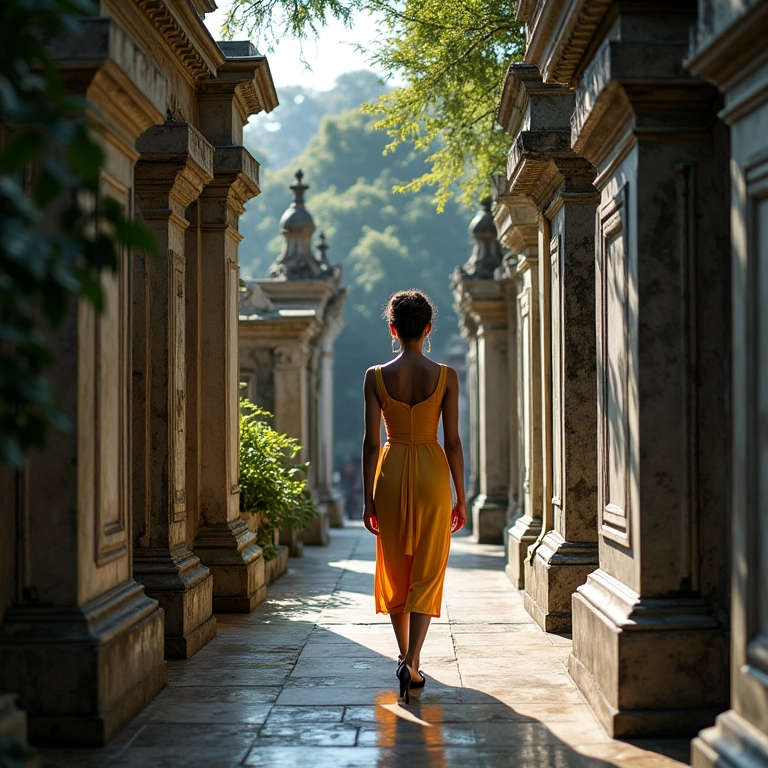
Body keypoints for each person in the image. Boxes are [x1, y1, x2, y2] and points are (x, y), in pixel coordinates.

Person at [361, 289, 466, 704]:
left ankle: (403, 653)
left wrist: (368, 498)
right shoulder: (446, 376)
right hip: (432, 472)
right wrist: (461, 495)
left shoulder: (375, 376)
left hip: (390, 470)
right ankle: (414, 661)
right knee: (428, 566)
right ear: (427, 328)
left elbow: (371, 443)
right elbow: (453, 441)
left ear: (392, 329)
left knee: (396, 567)